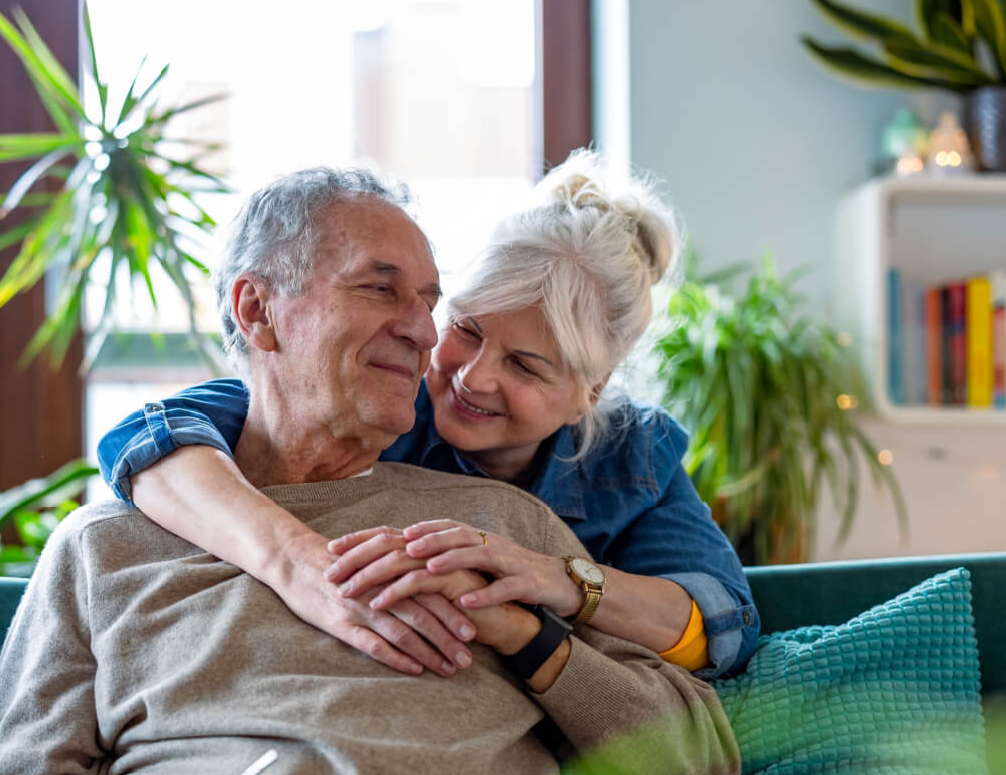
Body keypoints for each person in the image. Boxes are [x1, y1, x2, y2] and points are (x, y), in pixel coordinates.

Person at [0, 166, 739, 775]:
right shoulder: (110, 544)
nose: (424, 333)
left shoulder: (500, 528)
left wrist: (532, 635)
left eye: (429, 299)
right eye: (382, 290)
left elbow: (701, 761)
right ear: (257, 312)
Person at [96, 150, 759, 689]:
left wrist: (560, 579)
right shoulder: (383, 402)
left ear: (591, 389)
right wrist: (296, 562)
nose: (473, 377)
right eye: (466, 331)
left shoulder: (632, 456)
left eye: (526, 366)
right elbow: (148, 440)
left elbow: (721, 624)